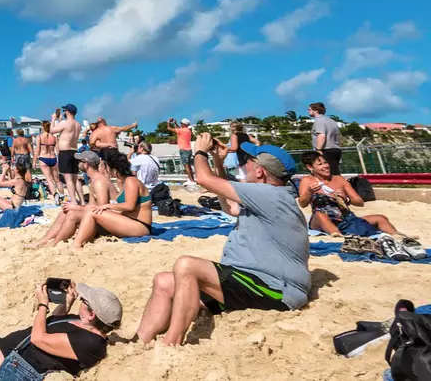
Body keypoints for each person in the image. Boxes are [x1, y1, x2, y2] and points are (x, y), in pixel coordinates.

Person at [133, 137, 310, 347]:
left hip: (275, 289)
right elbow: (230, 206)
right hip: (251, 280)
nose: (243, 166)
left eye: (248, 162)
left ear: (260, 171)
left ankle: (172, 342)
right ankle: (138, 342)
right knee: (164, 281)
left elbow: (204, 179)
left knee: (187, 265)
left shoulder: (269, 195)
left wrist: (200, 152)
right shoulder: (269, 195)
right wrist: (218, 161)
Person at [298, 151, 401, 237]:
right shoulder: (307, 181)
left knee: (380, 218)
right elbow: (302, 203)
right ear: (310, 167)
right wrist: (309, 192)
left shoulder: (338, 179)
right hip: (321, 220)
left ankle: (398, 236)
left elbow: (360, 202)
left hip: (345, 218)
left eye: (325, 163)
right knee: (321, 215)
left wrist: (346, 199)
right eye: (320, 164)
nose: (325, 166)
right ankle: (337, 236)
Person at [26, 152, 114, 249]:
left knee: (72, 214)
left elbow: (102, 208)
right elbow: (92, 206)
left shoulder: (99, 182)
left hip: (108, 223)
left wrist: (77, 207)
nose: (77, 163)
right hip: (98, 217)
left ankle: (55, 242)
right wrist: (76, 207)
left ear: (86, 164)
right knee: (64, 213)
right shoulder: (93, 180)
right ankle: (44, 241)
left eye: (79, 161)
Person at [73, 151, 153, 247]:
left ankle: (76, 245)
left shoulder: (131, 181)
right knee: (89, 213)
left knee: (93, 212)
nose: (107, 171)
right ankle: (79, 239)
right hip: (130, 221)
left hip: (140, 226)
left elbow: (129, 206)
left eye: (107, 168)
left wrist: (107, 205)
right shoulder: (125, 182)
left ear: (114, 170)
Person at [52, 105, 83, 206]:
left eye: (64, 111)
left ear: (68, 112)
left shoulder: (65, 123)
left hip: (65, 152)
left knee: (68, 178)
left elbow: (52, 131)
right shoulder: (78, 125)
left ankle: (73, 201)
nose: (64, 112)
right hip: (74, 151)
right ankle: (82, 201)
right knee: (75, 178)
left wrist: (53, 119)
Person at [309, 102, 343, 175]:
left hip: (326, 150)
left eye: (309, 110)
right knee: (335, 172)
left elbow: (322, 135)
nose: (308, 111)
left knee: (327, 174)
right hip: (336, 149)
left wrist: (318, 150)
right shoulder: (331, 121)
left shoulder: (319, 120)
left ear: (315, 110)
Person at [35, 122, 63, 200]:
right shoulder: (54, 138)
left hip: (43, 158)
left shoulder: (39, 137)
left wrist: (34, 161)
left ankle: (55, 195)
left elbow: (37, 150)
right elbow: (58, 150)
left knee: (49, 180)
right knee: (57, 180)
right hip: (53, 158)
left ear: (43, 127)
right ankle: (62, 196)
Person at [169, 118, 196, 187]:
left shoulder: (182, 130)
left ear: (183, 124)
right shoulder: (188, 130)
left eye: (181, 123)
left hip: (183, 150)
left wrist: (168, 122)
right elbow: (179, 128)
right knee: (189, 166)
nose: (180, 124)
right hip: (189, 150)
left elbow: (168, 128)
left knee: (186, 166)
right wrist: (175, 123)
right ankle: (192, 179)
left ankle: (191, 181)